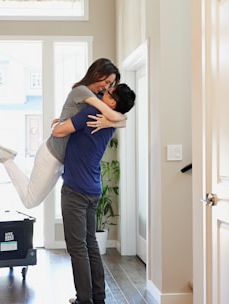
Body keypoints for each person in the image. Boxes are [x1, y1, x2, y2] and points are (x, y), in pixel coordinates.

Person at [0, 58, 127, 209]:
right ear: (97, 73)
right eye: (106, 82)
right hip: (51, 154)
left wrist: (109, 122)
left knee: (31, 198)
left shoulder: (96, 96)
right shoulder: (82, 91)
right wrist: (110, 119)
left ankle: (6, 157)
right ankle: (6, 159)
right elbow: (112, 114)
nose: (106, 87)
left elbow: (123, 120)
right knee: (29, 202)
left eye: (110, 85)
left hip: (60, 160)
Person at [52, 83, 136, 304]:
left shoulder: (94, 112)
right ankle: (98, 297)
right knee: (90, 244)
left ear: (112, 102)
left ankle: (84, 300)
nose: (103, 92)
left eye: (108, 93)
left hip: (75, 189)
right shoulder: (114, 121)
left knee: (78, 248)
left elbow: (59, 131)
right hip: (92, 189)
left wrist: (56, 126)